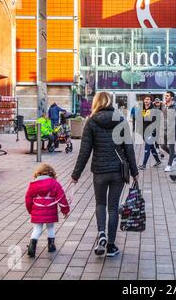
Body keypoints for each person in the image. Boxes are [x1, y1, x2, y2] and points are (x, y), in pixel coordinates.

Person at [71, 91, 138, 257]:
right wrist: (135, 172)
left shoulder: (91, 122)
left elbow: (84, 151)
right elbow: (129, 148)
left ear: (96, 102)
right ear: (110, 102)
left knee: (100, 204)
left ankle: (101, 233)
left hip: (99, 171)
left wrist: (76, 174)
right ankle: (111, 246)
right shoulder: (121, 120)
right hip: (117, 171)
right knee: (113, 207)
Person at [25, 164, 70, 257]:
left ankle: (32, 247)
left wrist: (31, 211)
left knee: (37, 229)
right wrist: (65, 210)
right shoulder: (55, 184)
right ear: (52, 173)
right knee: (50, 227)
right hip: (51, 210)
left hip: (37, 210)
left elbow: (28, 199)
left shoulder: (33, 184)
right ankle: (51, 245)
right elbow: (62, 198)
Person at [138, 96, 161, 170]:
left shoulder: (154, 110)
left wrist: (153, 132)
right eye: (145, 99)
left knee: (147, 148)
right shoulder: (142, 109)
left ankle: (144, 165)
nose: (146, 100)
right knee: (151, 147)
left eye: (148, 99)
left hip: (150, 132)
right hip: (144, 132)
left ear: (151, 101)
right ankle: (158, 161)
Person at [161, 91, 176, 172]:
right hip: (164, 129)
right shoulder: (165, 106)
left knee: (171, 148)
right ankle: (175, 156)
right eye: (165, 96)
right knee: (162, 146)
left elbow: (174, 121)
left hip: (171, 131)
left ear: (172, 97)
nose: (166, 97)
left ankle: (169, 165)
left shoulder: (175, 107)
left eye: (168, 96)